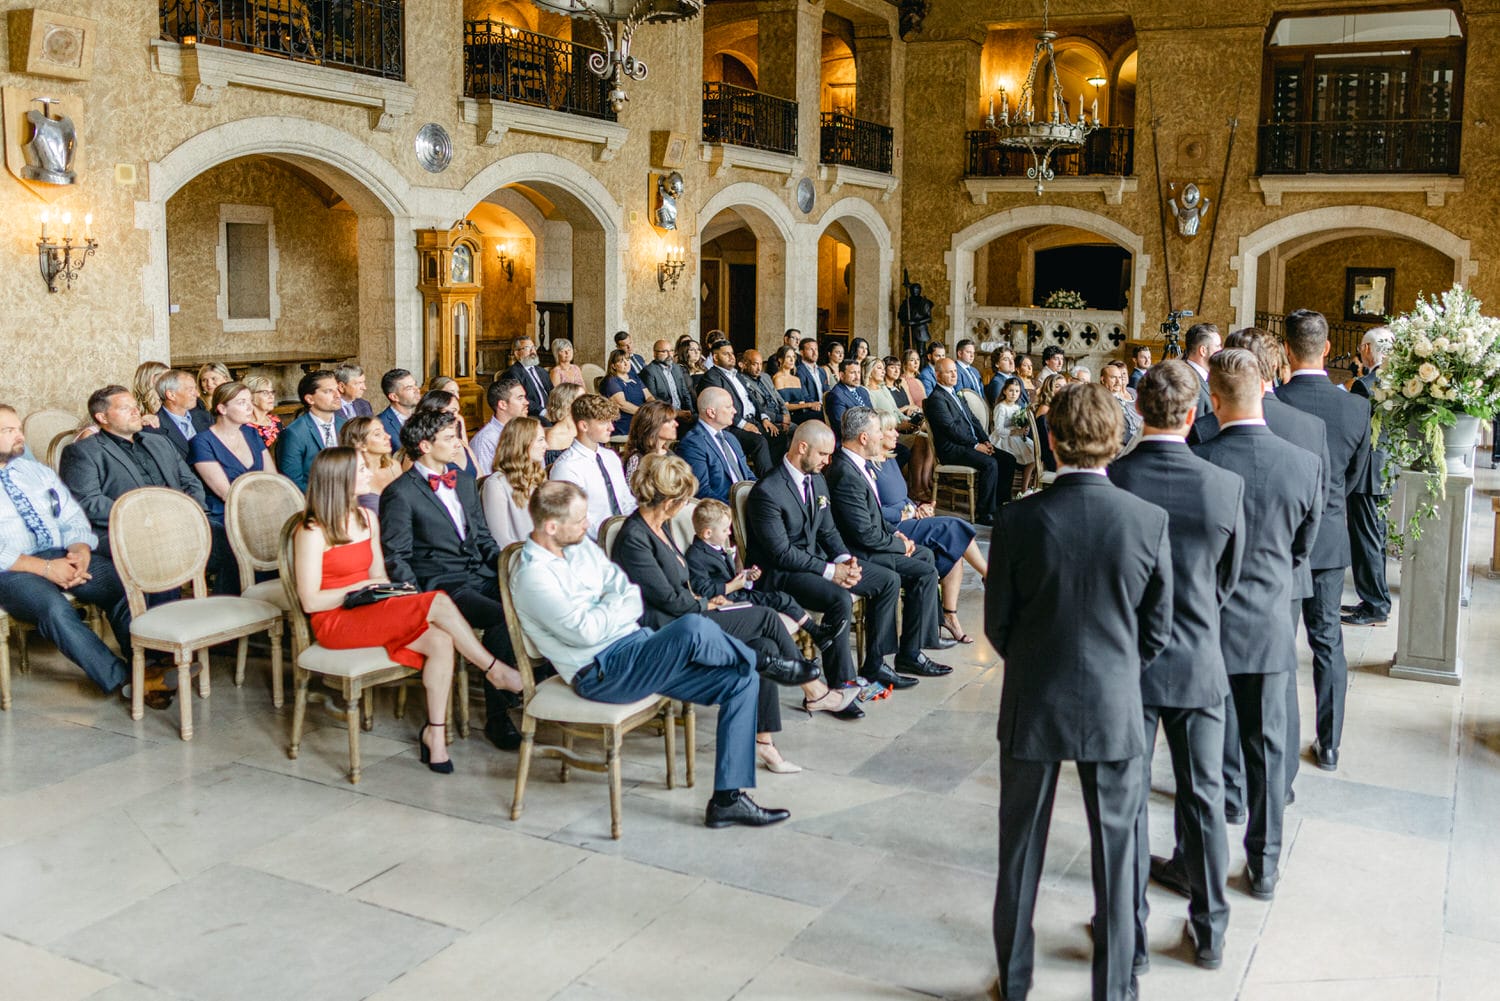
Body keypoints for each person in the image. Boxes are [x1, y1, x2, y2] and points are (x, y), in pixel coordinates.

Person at [986, 382, 1174, 1001]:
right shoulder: (1147, 520)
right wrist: (1117, 669)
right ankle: (1115, 990)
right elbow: (1158, 628)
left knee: (1018, 852)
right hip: (1116, 703)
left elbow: (998, 625)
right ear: (1116, 443)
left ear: (1051, 440)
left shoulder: (1017, 519)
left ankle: (1014, 984)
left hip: (1034, 699)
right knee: (1119, 858)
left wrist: (1039, 664)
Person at [510, 480, 791, 829]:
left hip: (636, 648)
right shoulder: (533, 576)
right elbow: (587, 632)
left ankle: (727, 800)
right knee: (691, 628)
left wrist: (609, 604)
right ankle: (764, 661)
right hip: (602, 673)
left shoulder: (579, 545)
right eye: (580, 519)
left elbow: (627, 592)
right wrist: (616, 605)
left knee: (741, 680)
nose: (587, 525)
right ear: (551, 527)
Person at [1107, 361, 1246, 972]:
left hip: (1125, 665)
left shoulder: (1112, 478)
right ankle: (1211, 932)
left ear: (1139, 411)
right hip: (1197, 659)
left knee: (1126, 803)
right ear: (1195, 414)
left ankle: (1127, 938)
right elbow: (1227, 580)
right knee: (1204, 798)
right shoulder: (1223, 485)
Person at [295, 447, 524, 773]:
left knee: (440, 641)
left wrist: (377, 590)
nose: (368, 473)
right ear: (339, 478)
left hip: (372, 605)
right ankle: (494, 670)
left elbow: (379, 575)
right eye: (361, 469)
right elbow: (310, 601)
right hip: (335, 620)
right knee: (439, 600)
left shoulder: (367, 518)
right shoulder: (311, 530)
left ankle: (435, 733)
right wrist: (359, 590)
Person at [1191, 349, 1321, 903]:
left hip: (1205, 624)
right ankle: (1264, 865)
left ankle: (1199, 860)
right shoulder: (1303, 464)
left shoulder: (1200, 460)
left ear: (1213, 400)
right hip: (1268, 621)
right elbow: (1300, 550)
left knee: (1201, 749)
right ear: (1267, 386)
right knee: (1267, 747)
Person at [611, 455, 828, 773]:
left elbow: (679, 585)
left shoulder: (661, 524)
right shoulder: (635, 538)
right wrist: (708, 603)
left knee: (763, 651)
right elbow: (669, 600)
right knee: (766, 617)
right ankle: (814, 689)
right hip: (669, 629)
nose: (686, 505)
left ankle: (764, 743)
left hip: (688, 614)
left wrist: (703, 600)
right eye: (683, 500)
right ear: (670, 500)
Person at [0, 404, 160, 707]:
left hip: (59, 553)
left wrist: (80, 550)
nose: (20, 435)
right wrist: (46, 569)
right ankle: (122, 678)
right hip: (11, 570)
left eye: (19, 428)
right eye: (9, 431)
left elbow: (71, 516)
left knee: (119, 581)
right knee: (53, 608)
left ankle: (150, 665)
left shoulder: (35, 471)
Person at [380, 408, 522, 751]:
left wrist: (510, 565)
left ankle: (540, 680)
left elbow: (484, 537)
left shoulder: (461, 479)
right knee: (502, 616)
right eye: (449, 438)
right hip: (442, 584)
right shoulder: (401, 492)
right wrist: (415, 603)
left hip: (479, 572)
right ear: (425, 445)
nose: (458, 442)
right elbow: (396, 556)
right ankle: (497, 715)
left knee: (530, 599)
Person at [744, 421, 915, 696]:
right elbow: (781, 553)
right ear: (802, 448)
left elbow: (828, 530)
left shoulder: (818, 478)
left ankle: (874, 666)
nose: (828, 461)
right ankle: (841, 685)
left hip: (815, 563)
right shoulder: (767, 491)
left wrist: (846, 559)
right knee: (839, 597)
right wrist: (830, 571)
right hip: (780, 575)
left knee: (888, 580)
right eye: (823, 454)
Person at [1275, 309, 1370, 773]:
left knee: (1278, 645)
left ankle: (1277, 743)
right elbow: (1354, 478)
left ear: (1287, 351)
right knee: (1328, 641)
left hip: (1282, 540)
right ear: (1328, 348)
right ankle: (1329, 745)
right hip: (1329, 535)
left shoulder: (1273, 404)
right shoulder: (1355, 406)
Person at [685, 499, 856, 722]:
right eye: (726, 529)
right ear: (707, 533)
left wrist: (746, 578)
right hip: (726, 603)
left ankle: (816, 633)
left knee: (782, 598)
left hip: (739, 593)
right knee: (769, 618)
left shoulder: (718, 546)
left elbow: (730, 577)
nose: (729, 533)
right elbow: (704, 589)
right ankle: (810, 682)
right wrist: (733, 586)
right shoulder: (696, 555)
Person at [61, 386, 235, 595]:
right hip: (132, 531)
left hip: (181, 521)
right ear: (102, 417)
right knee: (161, 553)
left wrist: (190, 512)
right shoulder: (84, 451)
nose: (136, 412)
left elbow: (190, 482)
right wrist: (148, 517)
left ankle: (221, 611)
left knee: (234, 540)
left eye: (135, 407)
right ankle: (165, 622)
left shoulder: (159, 441)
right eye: (126, 409)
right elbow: (88, 502)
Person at [825, 408, 953, 676]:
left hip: (869, 543)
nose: (882, 436)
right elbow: (862, 533)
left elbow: (873, 516)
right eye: (877, 432)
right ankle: (902, 655)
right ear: (863, 437)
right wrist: (899, 546)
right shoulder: (846, 472)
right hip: (856, 552)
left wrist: (895, 534)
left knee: (926, 556)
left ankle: (912, 649)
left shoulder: (858, 465)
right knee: (924, 571)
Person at [869, 409, 987, 642]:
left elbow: (903, 497)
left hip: (911, 520)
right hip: (895, 529)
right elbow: (873, 512)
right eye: (890, 429)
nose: (896, 433)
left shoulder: (890, 461)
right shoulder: (868, 468)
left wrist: (919, 507)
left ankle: (949, 616)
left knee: (953, 550)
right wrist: (907, 511)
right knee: (954, 527)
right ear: (876, 435)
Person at [924, 357, 1017, 525]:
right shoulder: (936, 399)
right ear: (938, 375)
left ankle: (999, 505)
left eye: (955, 371)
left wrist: (986, 441)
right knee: (990, 464)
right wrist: (975, 445)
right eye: (949, 372)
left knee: (1008, 460)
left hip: (970, 443)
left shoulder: (956, 393)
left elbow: (973, 419)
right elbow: (951, 429)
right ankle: (985, 513)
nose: (954, 375)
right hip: (952, 449)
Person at [1344, 326, 1394, 627]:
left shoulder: (1366, 385)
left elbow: (1358, 433)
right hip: (1386, 470)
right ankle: (1377, 599)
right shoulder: (1396, 384)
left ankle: (1375, 605)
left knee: (1366, 540)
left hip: (1367, 472)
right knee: (1378, 538)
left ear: (1365, 350)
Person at [548, 394, 636, 537]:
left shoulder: (610, 457)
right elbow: (575, 520)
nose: (611, 428)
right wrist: (614, 537)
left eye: (611, 422)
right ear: (584, 426)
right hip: (596, 542)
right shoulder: (567, 467)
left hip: (627, 535)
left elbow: (626, 500)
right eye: (603, 422)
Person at [188, 382, 275, 526]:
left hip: (262, 509)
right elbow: (226, 493)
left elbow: (272, 478)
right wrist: (264, 504)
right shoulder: (202, 441)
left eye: (250, 401)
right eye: (242, 402)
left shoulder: (252, 433)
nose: (250, 407)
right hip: (226, 515)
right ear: (222, 408)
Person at [677, 387, 755, 503]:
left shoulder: (730, 438)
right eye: (728, 407)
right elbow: (701, 491)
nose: (734, 411)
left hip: (747, 504)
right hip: (723, 512)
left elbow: (749, 476)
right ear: (711, 412)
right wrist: (737, 510)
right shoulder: (693, 443)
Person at [481, 416, 547, 550]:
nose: (546, 445)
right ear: (522, 443)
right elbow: (500, 539)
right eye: (540, 440)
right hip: (521, 558)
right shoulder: (496, 485)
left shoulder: (539, 476)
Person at [277, 370, 347, 492]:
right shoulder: (294, 433)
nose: (338, 395)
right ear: (310, 399)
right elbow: (292, 482)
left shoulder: (345, 425)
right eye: (328, 391)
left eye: (337, 389)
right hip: (312, 502)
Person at [339, 416, 401, 514]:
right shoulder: (352, 476)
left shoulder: (394, 466)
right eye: (377, 434)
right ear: (360, 444)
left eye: (384, 431)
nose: (387, 436)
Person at [147, 369, 212, 459]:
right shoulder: (153, 429)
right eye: (190, 390)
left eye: (195, 389)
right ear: (171, 395)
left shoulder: (205, 418)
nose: (197, 394)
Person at [739, 349, 791, 462]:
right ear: (745, 364)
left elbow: (779, 399)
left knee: (798, 430)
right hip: (766, 419)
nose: (759, 368)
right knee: (786, 433)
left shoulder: (766, 377)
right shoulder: (741, 381)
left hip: (781, 416)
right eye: (755, 364)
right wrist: (780, 418)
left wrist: (786, 415)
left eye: (761, 364)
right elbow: (755, 407)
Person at [412, 390, 479, 478]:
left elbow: (479, 477)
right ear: (433, 412)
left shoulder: (462, 444)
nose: (457, 417)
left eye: (457, 412)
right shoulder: (420, 449)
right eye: (452, 412)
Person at [470, 376, 528, 475]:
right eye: (520, 398)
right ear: (502, 405)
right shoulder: (485, 440)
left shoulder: (526, 431)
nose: (526, 402)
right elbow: (484, 482)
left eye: (525, 397)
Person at [989, 376, 1037, 485]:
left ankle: (1025, 487)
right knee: (1020, 457)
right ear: (1005, 391)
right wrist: (1015, 432)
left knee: (1034, 455)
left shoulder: (1017, 408)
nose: (1013, 394)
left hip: (1017, 437)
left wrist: (1024, 428)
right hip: (1003, 439)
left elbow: (1019, 423)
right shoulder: (1001, 407)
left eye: (1017, 391)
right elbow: (999, 429)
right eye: (1011, 390)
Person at [601, 347, 652, 437]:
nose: (626, 363)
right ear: (613, 366)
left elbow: (648, 396)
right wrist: (644, 414)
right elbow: (622, 404)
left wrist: (654, 408)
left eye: (627, 360)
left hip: (641, 419)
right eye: (621, 361)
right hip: (624, 423)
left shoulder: (634, 377)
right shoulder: (611, 381)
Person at [1183, 323, 1223, 431]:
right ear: (1203, 351)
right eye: (1218, 346)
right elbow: (1196, 430)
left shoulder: (1205, 377)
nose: (1221, 350)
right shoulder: (1189, 382)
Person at [623, 400, 678, 479]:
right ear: (653, 424)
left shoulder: (671, 455)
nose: (676, 424)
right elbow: (631, 490)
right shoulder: (637, 460)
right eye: (668, 421)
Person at [642, 339, 696, 419]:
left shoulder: (677, 368)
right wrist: (677, 413)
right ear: (654, 353)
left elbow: (685, 393)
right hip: (665, 416)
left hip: (684, 413)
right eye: (664, 352)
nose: (669, 355)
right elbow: (654, 401)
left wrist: (691, 412)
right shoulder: (649, 371)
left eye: (671, 351)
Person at [507, 336, 555, 423]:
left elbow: (552, 392)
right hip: (532, 415)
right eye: (527, 348)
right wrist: (543, 412)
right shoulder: (513, 373)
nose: (532, 351)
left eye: (534, 347)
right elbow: (521, 398)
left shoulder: (541, 371)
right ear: (517, 353)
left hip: (550, 411)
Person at [772, 346, 821, 425]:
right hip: (790, 416)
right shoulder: (778, 379)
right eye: (788, 357)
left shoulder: (796, 379)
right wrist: (809, 405)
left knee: (822, 412)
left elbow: (801, 402)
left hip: (803, 413)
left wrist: (813, 406)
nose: (792, 360)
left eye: (793, 357)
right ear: (780, 359)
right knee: (820, 416)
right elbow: (784, 406)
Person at [1102, 360, 1143, 449]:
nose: (1118, 382)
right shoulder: (1102, 400)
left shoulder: (1125, 395)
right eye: (1113, 377)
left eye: (1120, 377)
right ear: (1103, 379)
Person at [824, 357, 873, 432]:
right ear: (842, 375)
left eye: (859, 372)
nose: (857, 377)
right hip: (852, 439)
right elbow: (842, 426)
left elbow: (872, 414)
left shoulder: (863, 391)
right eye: (852, 373)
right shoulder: (836, 395)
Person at [377, 368, 422, 442]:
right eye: (409, 388)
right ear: (394, 397)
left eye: (415, 385)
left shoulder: (421, 418)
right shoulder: (380, 423)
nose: (417, 390)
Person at [543, 383, 583, 464]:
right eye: (581, 400)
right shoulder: (555, 436)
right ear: (567, 404)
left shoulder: (583, 428)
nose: (586, 404)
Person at [244, 375, 284, 449]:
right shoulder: (243, 426)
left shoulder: (276, 421)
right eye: (265, 393)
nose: (271, 396)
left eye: (272, 392)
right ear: (251, 396)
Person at [132, 361, 169, 430]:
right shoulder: (132, 409)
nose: (171, 382)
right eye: (167, 378)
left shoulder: (168, 401)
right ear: (152, 379)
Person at [797, 337, 829, 405]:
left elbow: (827, 392)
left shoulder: (822, 371)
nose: (815, 353)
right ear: (801, 352)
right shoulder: (799, 371)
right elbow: (804, 396)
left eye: (816, 349)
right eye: (811, 350)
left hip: (825, 407)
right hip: (810, 408)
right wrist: (815, 404)